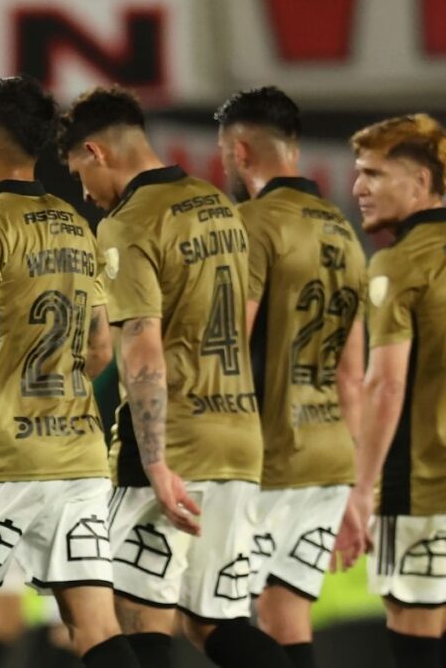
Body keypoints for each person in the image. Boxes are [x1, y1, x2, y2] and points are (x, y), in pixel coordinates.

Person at [58, 86, 291, 668]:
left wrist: (156, 463)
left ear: (96, 151)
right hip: (237, 440)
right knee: (215, 621)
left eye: (77, 173)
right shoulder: (218, 205)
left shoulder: (129, 224)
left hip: (173, 446)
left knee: (115, 614)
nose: (83, 192)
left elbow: (140, 350)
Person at [0, 75, 136, 668]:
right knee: (94, 626)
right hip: (80, 457)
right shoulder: (75, 224)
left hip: (1, 460)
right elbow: (100, 349)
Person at [214, 86, 366, 668]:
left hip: (267, 455)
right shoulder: (343, 232)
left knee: (200, 611)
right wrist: (353, 484)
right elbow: (354, 376)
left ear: (243, 152)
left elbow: (226, 347)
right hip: (327, 454)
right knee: (284, 615)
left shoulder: (250, 224)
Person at [337, 114, 446, 668]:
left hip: (422, 487)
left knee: (415, 634)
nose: (358, 187)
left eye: (374, 174)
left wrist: (360, 490)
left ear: (421, 182)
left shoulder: (400, 262)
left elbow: (384, 384)